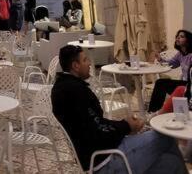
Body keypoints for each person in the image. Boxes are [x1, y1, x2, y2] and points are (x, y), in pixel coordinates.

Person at [52, 44, 187, 174]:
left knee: (171, 163)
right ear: (75, 66)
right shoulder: (75, 91)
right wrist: (127, 126)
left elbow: (96, 124)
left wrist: (124, 124)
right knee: (165, 137)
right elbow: (98, 132)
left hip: (99, 154)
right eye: (85, 60)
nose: (88, 64)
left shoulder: (64, 87)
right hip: (105, 161)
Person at [148, 29, 192, 112]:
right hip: (184, 83)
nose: (178, 38)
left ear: (188, 40)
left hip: (189, 86)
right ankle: (153, 111)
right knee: (160, 83)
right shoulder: (180, 54)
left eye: (181, 37)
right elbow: (171, 64)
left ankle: (155, 112)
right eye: (177, 37)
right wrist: (160, 58)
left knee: (161, 83)